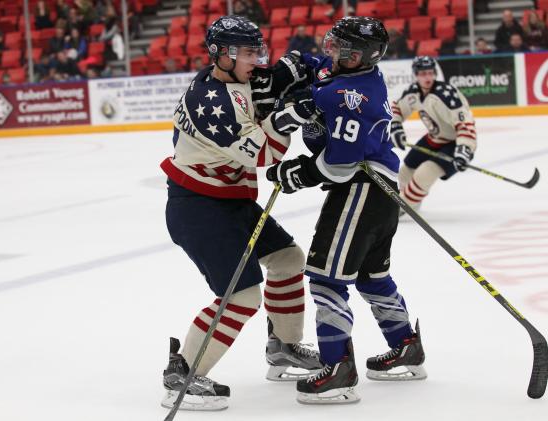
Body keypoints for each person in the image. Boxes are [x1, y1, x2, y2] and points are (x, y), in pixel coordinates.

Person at [160, 15, 322, 411]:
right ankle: (184, 372)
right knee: (243, 294)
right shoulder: (210, 101)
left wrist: (291, 72)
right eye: (249, 52)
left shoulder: (231, 79)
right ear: (222, 54)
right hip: (199, 207)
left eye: (257, 50)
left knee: (288, 259)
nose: (258, 59)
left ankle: (283, 346)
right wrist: (289, 115)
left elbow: (262, 87)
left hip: (230, 200)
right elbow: (266, 155)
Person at [266, 16, 426, 405]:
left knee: (325, 278)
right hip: (383, 190)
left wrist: (296, 173)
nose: (332, 53)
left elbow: (340, 164)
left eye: (343, 50)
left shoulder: (351, 97)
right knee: (372, 275)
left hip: (362, 188)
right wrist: (295, 63)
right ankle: (405, 346)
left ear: (362, 56)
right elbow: (316, 68)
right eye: (332, 44)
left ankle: (337, 368)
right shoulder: (349, 71)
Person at [389, 56, 477, 211]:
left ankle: (405, 206)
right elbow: (397, 108)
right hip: (433, 139)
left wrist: (464, 150)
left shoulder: (447, 94)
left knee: (425, 172)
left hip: (455, 143)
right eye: (423, 74)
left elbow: (465, 123)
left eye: (430, 73)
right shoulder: (413, 92)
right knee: (405, 172)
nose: (428, 77)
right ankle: (409, 201)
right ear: (416, 75)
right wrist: (395, 125)